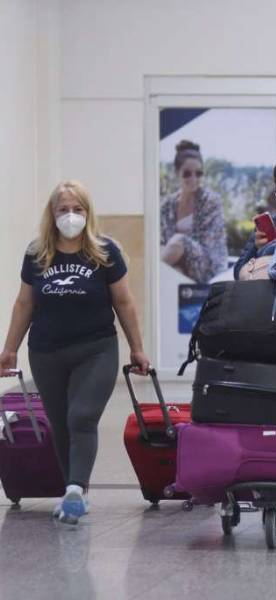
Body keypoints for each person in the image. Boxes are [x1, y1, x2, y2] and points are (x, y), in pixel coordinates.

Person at [0, 180, 150, 524]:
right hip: (46, 351)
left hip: (95, 350)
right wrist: (9, 349)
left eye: (77, 209)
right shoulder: (37, 254)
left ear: (88, 212)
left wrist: (137, 348)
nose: (71, 216)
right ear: (52, 214)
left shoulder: (105, 252)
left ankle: (75, 488)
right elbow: (24, 303)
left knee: (81, 416)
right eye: (63, 209)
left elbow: (124, 302)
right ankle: (74, 492)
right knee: (60, 424)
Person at [160, 140, 228, 283]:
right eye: (187, 173)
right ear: (177, 172)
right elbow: (162, 242)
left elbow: (209, 248)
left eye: (198, 173)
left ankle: (149, 279)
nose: (193, 178)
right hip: (177, 266)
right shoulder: (167, 205)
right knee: (174, 267)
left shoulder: (210, 201)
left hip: (208, 267)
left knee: (178, 241)